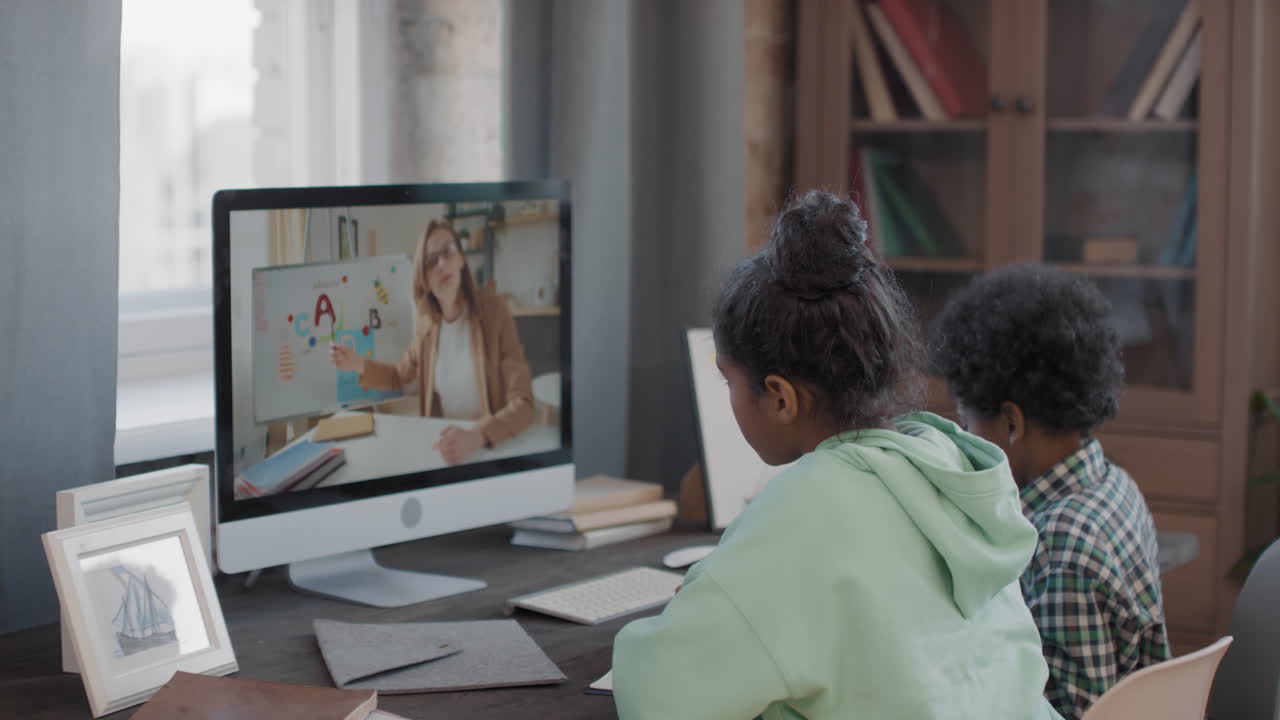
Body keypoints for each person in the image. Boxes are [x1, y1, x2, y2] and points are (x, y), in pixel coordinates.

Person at [611, 190, 1061, 720]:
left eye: (727, 380)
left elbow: (662, 696)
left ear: (780, 397)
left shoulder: (806, 510)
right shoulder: (946, 467)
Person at [931, 263, 1169, 720]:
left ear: (1012, 423)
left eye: (968, 420)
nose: (963, 434)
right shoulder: (1114, 483)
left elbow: (1061, 712)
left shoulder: (1058, 547)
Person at [330, 219, 534, 465]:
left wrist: (478, 435)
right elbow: (398, 376)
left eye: (448, 252)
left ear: (461, 259)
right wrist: (357, 364)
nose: (441, 264)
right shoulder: (428, 328)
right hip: (448, 449)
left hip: (492, 446)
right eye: (430, 261)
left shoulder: (494, 311)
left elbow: (524, 405)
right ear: (423, 278)